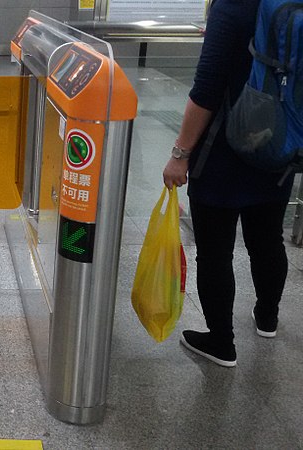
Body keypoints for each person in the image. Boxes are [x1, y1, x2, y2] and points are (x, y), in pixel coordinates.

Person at [163, 0, 294, 367]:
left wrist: (179, 153)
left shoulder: (232, 7)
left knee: (216, 252)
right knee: (268, 239)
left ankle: (221, 342)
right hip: (277, 143)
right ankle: (267, 316)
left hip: (223, 150)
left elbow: (205, 90)